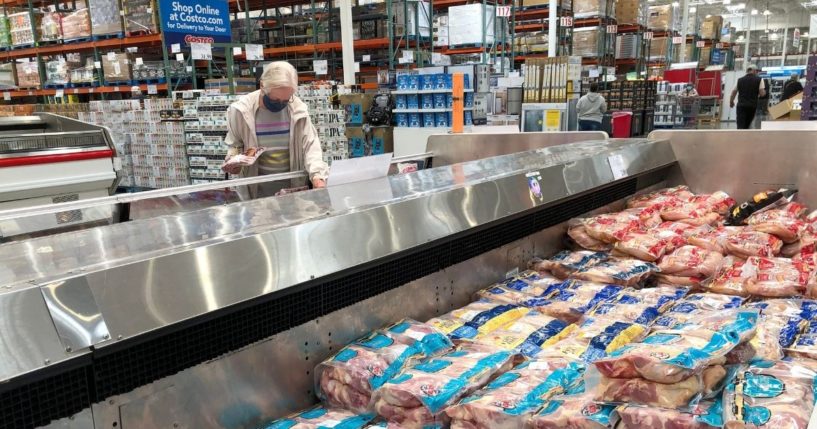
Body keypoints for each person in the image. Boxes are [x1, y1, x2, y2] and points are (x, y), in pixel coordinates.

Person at [224, 61, 329, 196]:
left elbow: (311, 146)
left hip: (292, 190)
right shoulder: (241, 111)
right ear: (262, 85)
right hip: (256, 193)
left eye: (286, 100)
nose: (280, 104)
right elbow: (235, 145)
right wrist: (234, 163)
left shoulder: (298, 110)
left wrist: (318, 176)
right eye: (275, 100)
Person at [729, 64, 766, 129]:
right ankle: (745, 137)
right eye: (757, 71)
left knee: (740, 125)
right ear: (754, 71)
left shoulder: (740, 80)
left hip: (741, 106)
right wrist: (765, 92)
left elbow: (733, 92)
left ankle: (739, 137)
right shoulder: (759, 79)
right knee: (747, 125)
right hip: (752, 106)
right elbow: (762, 94)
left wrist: (731, 101)